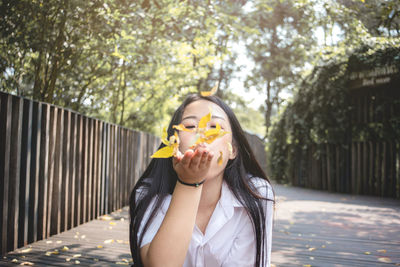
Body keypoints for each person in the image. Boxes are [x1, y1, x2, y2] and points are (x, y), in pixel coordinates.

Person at [129, 94, 275, 267]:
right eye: (190, 126)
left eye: (215, 127)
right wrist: (189, 182)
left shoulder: (257, 195)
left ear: (232, 150)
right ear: (172, 145)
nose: (202, 134)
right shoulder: (148, 194)